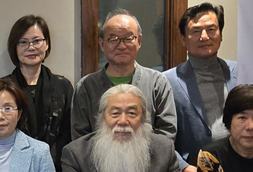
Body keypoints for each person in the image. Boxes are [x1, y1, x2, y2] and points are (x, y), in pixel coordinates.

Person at [59, 84, 194, 172]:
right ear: (102, 117)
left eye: (132, 113)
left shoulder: (163, 148)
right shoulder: (77, 152)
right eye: (115, 113)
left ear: (143, 118)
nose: (123, 121)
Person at [71, 8, 176, 141]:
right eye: (113, 39)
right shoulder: (86, 87)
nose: (121, 46)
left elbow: (167, 136)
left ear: (139, 41)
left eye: (128, 38)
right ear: (102, 44)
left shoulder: (157, 83)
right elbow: (80, 141)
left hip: (150, 160)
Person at [163, 3, 237, 172]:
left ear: (221, 34)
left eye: (211, 29)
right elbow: (160, 136)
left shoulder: (242, 72)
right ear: (183, 38)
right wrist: (184, 168)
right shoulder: (166, 81)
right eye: (195, 31)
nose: (204, 37)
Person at [2, 15, 73, 172]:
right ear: (15, 47)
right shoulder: (3, 88)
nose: (31, 47)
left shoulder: (63, 86)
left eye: (36, 41)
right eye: (23, 42)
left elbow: (68, 134)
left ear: (46, 44)